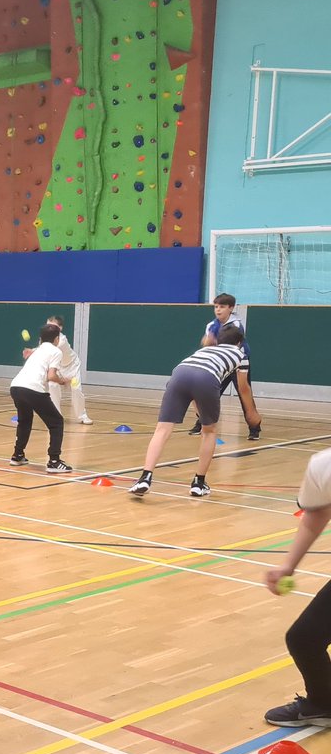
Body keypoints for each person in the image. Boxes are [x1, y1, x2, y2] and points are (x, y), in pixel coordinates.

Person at [129, 324, 247, 499]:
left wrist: (200, 411)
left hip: (180, 373)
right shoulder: (240, 355)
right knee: (209, 431)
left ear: (218, 340)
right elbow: (243, 387)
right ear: (239, 342)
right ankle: (198, 483)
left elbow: (192, 386)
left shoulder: (204, 350)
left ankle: (145, 478)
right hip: (207, 378)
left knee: (162, 429)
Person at [263, 449, 331, 727]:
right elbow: (317, 513)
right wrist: (288, 565)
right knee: (304, 638)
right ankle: (323, 704)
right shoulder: (324, 466)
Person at [187, 293, 261, 441]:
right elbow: (207, 344)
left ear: (231, 308)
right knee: (209, 393)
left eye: (222, 306)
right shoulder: (211, 325)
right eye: (216, 307)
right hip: (221, 364)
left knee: (244, 395)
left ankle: (254, 428)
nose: (218, 310)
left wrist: (212, 341)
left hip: (239, 363)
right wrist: (207, 342)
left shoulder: (236, 325)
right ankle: (202, 422)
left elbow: (229, 345)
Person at [9, 323, 72, 472]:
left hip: (16, 387)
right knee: (56, 422)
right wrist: (62, 381)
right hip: (33, 389)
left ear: (40, 338)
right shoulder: (56, 351)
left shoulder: (37, 350)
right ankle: (54, 461)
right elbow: (51, 376)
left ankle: (17, 455)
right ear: (56, 339)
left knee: (24, 421)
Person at [43, 315, 93, 425]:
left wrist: (33, 351)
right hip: (58, 368)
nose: (49, 328)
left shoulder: (62, 340)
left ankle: (82, 416)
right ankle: (56, 416)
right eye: (48, 325)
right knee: (52, 386)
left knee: (76, 389)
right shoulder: (45, 339)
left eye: (52, 326)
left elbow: (46, 351)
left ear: (60, 328)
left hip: (72, 367)